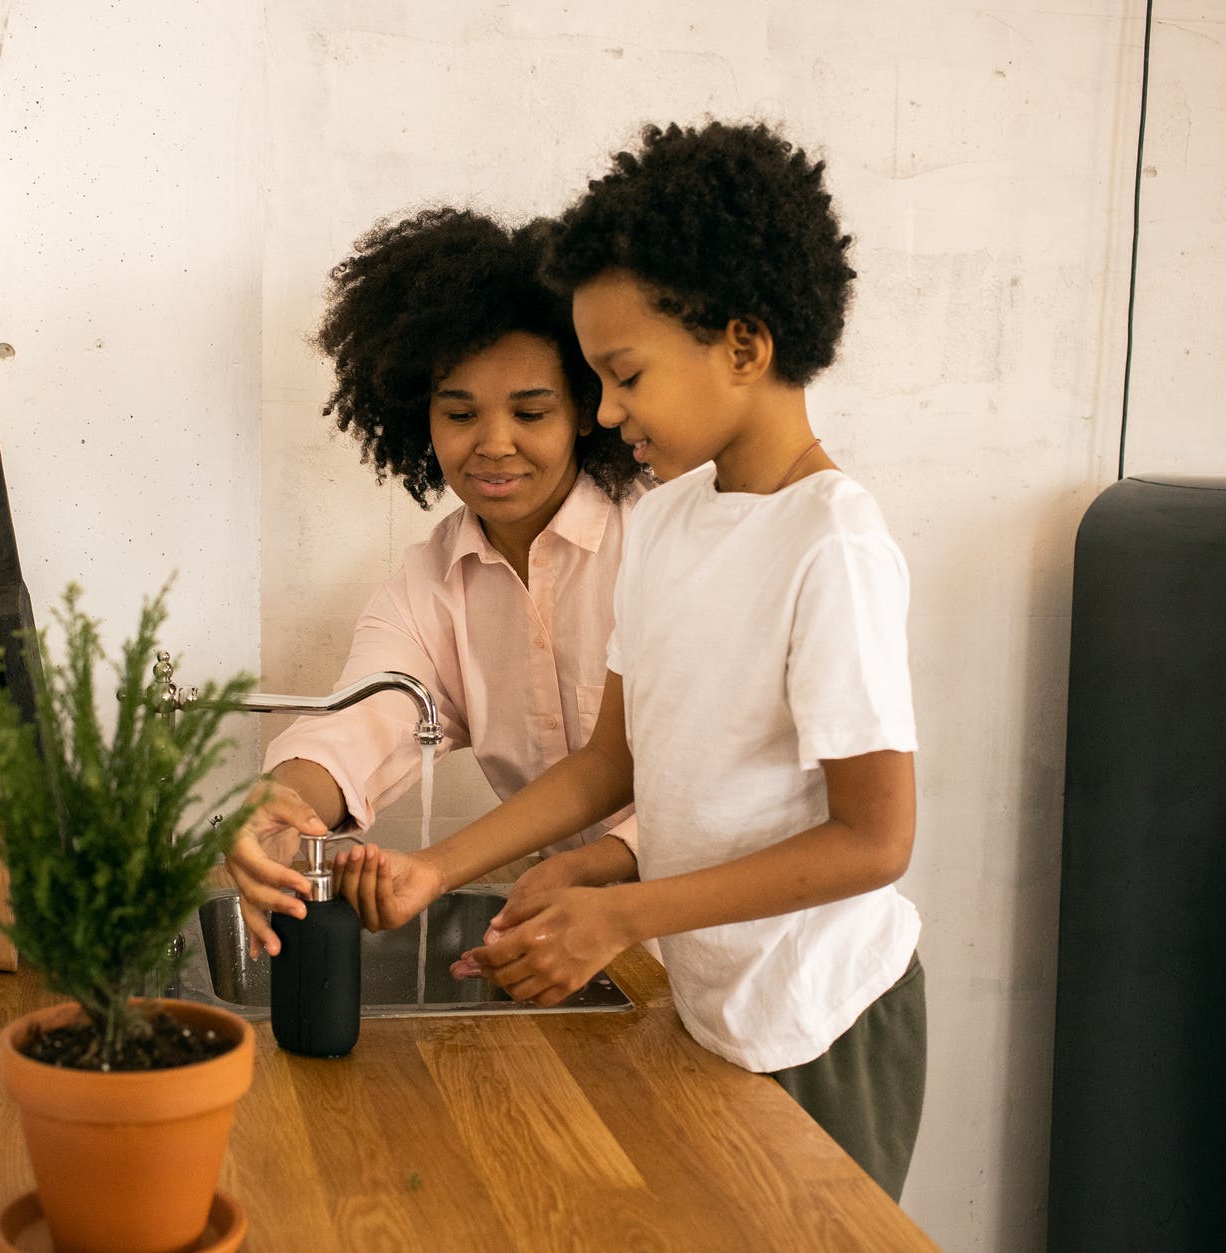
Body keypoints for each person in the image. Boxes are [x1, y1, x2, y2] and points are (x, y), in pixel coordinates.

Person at [336, 122, 926, 1201]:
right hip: (713, 1000)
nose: (604, 413)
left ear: (743, 346)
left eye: (621, 376)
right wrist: (437, 868)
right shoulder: (666, 523)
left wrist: (626, 907)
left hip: (826, 1016)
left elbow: (875, 838)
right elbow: (610, 766)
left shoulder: (831, 543)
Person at [224, 206, 650, 958]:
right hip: (584, 951)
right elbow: (363, 718)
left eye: (531, 411)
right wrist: (281, 799)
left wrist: (598, 863)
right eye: (460, 412)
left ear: (586, 410)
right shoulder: (433, 585)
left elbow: (728, 777)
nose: (494, 443)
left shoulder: (656, 543)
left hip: (765, 960)